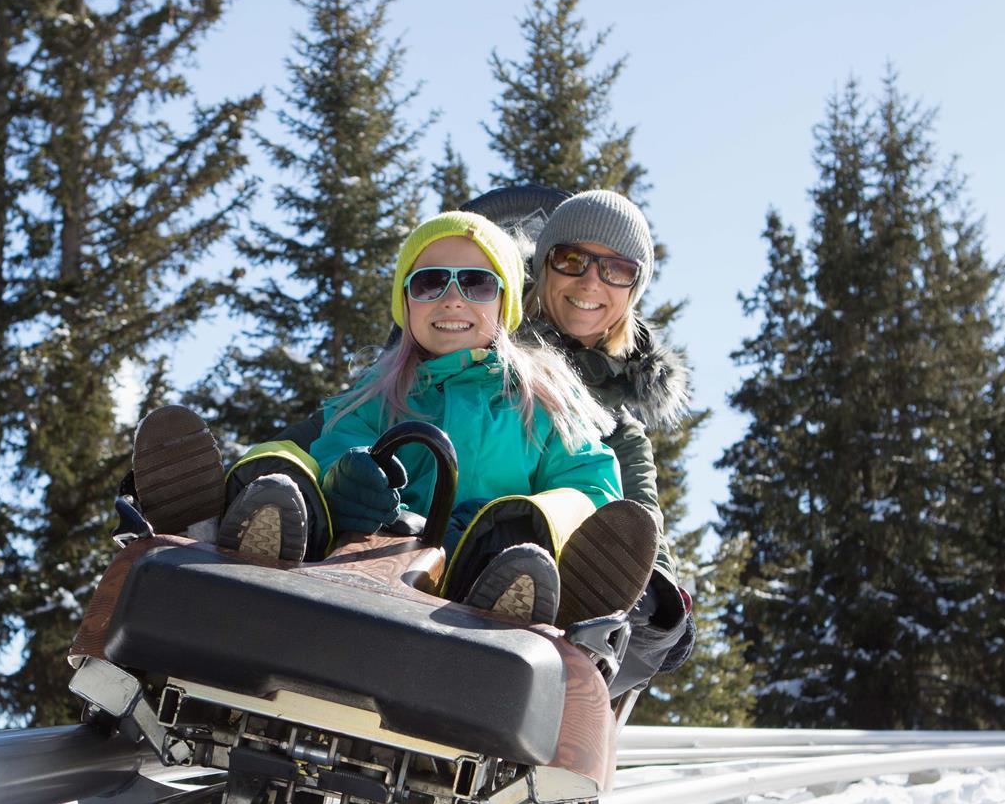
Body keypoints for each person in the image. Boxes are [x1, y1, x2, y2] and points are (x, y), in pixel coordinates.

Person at [133, 210, 657, 628]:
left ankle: (523, 584)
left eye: (475, 284)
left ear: (505, 303)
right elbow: (339, 440)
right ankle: (226, 522)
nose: (452, 298)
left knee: (553, 513)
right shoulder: (381, 391)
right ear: (405, 302)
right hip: (364, 559)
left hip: (476, 574)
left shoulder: (543, 398)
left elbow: (591, 483)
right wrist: (345, 478)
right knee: (290, 460)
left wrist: (513, 522)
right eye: (430, 283)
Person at [520, 189, 695, 689]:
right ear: (543, 266)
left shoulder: (617, 432)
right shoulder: (476, 346)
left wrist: (650, 591)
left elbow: (641, 522)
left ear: (633, 291)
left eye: (617, 269)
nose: (591, 280)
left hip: (547, 611)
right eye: (572, 258)